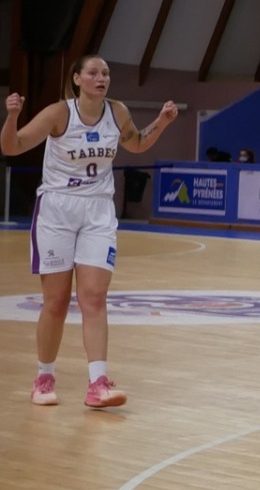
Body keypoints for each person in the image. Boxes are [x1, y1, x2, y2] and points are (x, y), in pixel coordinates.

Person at [4, 59, 179, 408]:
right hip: (57, 209)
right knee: (55, 301)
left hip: (98, 210)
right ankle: (44, 377)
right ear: (77, 79)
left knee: (94, 298)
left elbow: (138, 144)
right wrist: (11, 117)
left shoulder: (117, 113)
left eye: (106, 74)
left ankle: (97, 383)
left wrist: (161, 122)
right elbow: (12, 147)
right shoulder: (58, 114)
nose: (101, 79)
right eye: (94, 73)